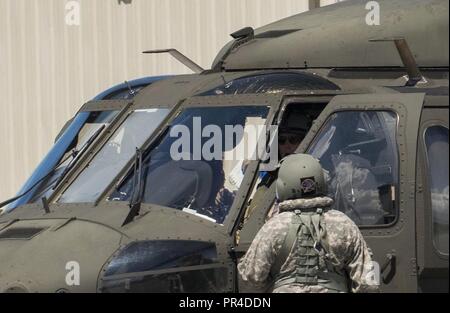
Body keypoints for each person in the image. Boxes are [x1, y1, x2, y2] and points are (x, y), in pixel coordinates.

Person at [238, 154, 379, 293]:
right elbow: (368, 283)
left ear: (282, 186)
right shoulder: (344, 224)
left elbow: (250, 277)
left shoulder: (274, 227)